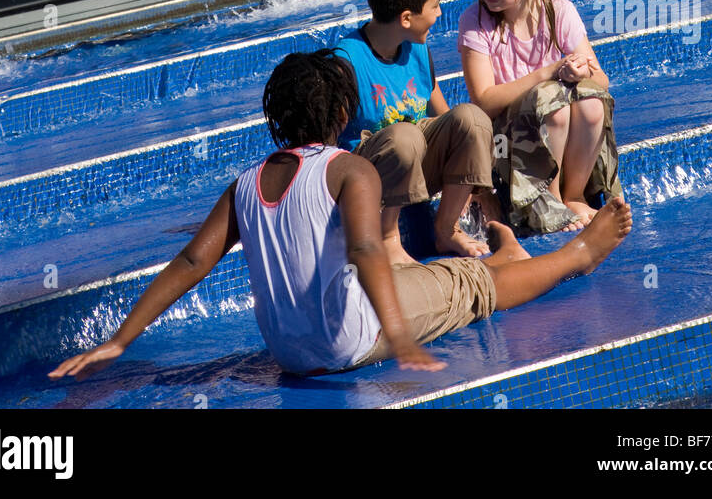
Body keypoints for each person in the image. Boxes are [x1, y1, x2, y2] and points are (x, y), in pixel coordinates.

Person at [49, 50, 633, 380]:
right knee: (472, 284)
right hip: (348, 341)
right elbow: (366, 250)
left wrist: (119, 340)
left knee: (407, 278)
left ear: (276, 119)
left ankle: (493, 262)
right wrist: (400, 337)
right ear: (342, 114)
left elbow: (191, 262)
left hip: (289, 351)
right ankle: (576, 254)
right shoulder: (348, 170)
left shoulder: (245, 184)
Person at [459, 0, 623, 235]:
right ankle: (550, 198)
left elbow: (602, 80)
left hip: (551, 128)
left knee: (589, 102)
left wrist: (581, 72)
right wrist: (545, 74)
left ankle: (573, 195)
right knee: (554, 104)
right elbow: (483, 101)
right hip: (504, 141)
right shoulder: (475, 21)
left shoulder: (557, 9)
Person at [336, 0, 496, 265]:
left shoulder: (417, 49)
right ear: (407, 18)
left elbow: (446, 117)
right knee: (405, 136)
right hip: (372, 177)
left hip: (419, 166)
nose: (439, 14)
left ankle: (446, 228)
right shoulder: (347, 62)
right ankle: (388, 237)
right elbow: (328, 142)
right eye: (435, 5)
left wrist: (470, 177)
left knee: (472, 118)